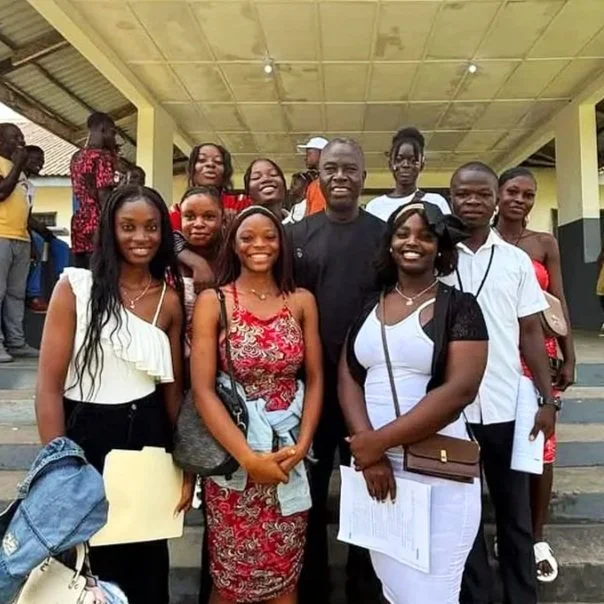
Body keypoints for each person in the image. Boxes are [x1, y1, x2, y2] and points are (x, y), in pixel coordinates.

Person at [35, 184, 192, 603]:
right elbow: (48, 387)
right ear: (110, 230)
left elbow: (172, 394)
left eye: (151, 227)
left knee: (146, 567)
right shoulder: (75, 287)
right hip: (85, 440)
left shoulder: (170, 300)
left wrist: (186, 465)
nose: (141, 237)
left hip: (148, 444)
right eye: (128, 227)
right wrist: (56, 467)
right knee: (86, 573)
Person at [340, 200, 488, 603]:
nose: (413, 242)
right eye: (403, 234)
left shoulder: (460, 306)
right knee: (394, 587)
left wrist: (377, 442)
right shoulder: (371, 304)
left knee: (433, 592)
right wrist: (370, 452)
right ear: (389, 244)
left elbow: (460, 390)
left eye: (425, 235)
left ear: (440, 247)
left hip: (438, 466)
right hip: (378, 469)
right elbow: (348, 375)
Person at [191, 205, 323, 604]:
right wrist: (249, 459)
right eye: (247, 237)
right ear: (234, 244)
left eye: (269, 236)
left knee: (284, 576)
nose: (259, 245)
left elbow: (316, 378)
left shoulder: (301, 301)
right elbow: (203, 390)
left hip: (288, 455)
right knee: (230, 580)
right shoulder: (215, 301)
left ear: (282, 243)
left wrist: (302, 446)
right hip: (235, 457)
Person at [441, 162, 557, 604]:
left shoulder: (515, 261)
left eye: (482, 194)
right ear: (451, 198)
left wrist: (547, 400)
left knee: (515, 516)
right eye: (463, 194)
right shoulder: (437, 259)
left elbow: (530, 332)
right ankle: (476, 597)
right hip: (450, 414)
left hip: (506, 407)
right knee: (462, 519)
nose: (472, 201)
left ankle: (521, 596)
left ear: (494, 200)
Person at [288, 138, 386, 603]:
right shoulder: (296, 236)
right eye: (331, 169)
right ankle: (313, 590)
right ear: (319, 176)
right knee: (307, 495)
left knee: (366, 494)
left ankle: (362, 589)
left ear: (364, 177)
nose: (340, 176)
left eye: (350, 168)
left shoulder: (384, 236)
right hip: (309, 390)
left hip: (368, 392)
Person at [494, 166, 575, 583]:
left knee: (541, 448)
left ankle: (536, 537)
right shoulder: (481, 240)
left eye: (528, 195)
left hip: (539, 355)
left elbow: (558, 300)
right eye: (512, 191)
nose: (520, 200)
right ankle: (506, 530)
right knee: (499, 444)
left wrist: (569, 355)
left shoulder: (544, 243)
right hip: (494, 354)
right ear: (498, 193)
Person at [0, 123, 38, 362]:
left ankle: (16, 342)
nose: (21, 142)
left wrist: (30, 240)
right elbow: (2, 192)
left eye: (22, 137)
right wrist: (18, 166)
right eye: (15, 138)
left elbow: (25, 208)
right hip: (1, 236)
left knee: (15, 294)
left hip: (20, 238)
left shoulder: (19, 171)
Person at [177, 185, 224, 358]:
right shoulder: (167, 261)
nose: (198, 224)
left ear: (222, 219)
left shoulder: (233, 259)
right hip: (178, 360)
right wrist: (197, 263)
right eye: (189, 217)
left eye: (209, 217)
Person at [365, 127, 450, 221]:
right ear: (390, 164)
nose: (405, 165)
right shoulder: (374, 206)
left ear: (421, 165)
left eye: (413, 160)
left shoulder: (436, 202)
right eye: (399, 159)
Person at [24, 145, 70, 313]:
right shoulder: (15, 181)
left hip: (28, 225)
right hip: (15, 228)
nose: (41, 164)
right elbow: (23, 217)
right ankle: (33, 295)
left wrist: (45, 231)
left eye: (42, 160)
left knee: (61, 246)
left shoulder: (30, 186)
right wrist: (38, 229)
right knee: (36, 241)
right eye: (36, 160)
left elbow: (28, 214)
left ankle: (61, 290)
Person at [70, 112, 118, 269]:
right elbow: (104, 195)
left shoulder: (77, 157)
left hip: (79, 224)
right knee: (100, 275)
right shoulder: (102, 157)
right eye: (112, 133)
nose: (114, 139)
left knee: (81, 276)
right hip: (99, 224)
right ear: (103, 129)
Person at [243, 158, 292, 223]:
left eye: (273, 174)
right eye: (256, 177)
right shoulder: (241, 226)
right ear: (248, 192)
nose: (266, 179)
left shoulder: (300, 224)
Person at [296, 136, 329, 217]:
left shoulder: (329, 183)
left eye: (309, 154)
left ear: (322, 154)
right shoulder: (313, 185)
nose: (305, 158)